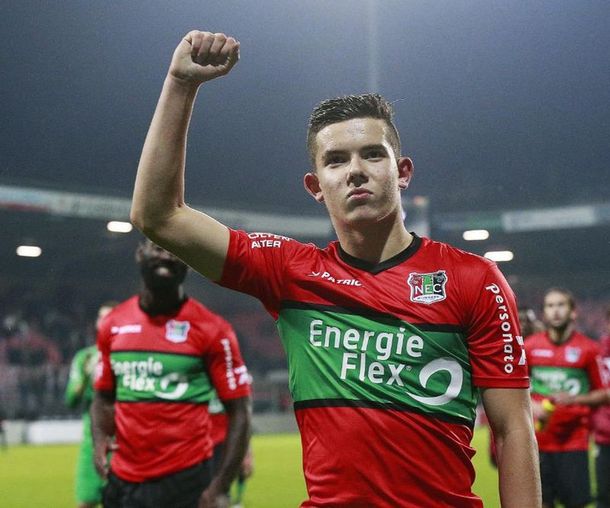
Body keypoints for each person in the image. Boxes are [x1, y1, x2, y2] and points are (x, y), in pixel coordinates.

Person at [130, 30, 541, 507]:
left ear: (403, 172)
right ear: (315, 185)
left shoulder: (474, 279)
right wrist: (181, 84)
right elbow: (158, 216)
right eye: (336, 160)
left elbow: (513, 429)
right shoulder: (288, 272)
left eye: (373, 154)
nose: (355, 170)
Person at [91, 240, 252, 508]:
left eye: (176, 250)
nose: (166, 256)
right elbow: (103, 397)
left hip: (185, 480)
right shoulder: (113, 324)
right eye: (158, 248)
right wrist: (99, 438)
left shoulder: (214, 330)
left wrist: (221, 485)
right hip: (123, 481)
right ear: (140, 254)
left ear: (188, 264)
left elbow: (239, 410)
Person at [525, 288, 607, 508]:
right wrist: (532, 405)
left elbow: (604, 393)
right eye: (550, 306)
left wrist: (576, 399)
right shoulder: (530, 347)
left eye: (561, 305)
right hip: (538, 442)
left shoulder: (589, 350)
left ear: (573, 312)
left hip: (574, 443)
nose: (555, 311)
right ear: (544, 312)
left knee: (576, 504)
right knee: (541, 503)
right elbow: (516, 388)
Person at [65, 301, 117, 508]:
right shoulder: (85, 357)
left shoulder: (130, 355)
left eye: (109, 317)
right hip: (93, 442)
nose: (104, 321)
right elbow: (70, 400)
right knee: (86, 501)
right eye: (101, 317)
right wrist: (85, 378)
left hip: (126, 442)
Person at [209, 392, 254, 508]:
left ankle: (237, 500)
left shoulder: (234, 391)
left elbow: (244, 418)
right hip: (205, 443)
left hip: (225, 443)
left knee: (222, 486)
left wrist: (248, 450)